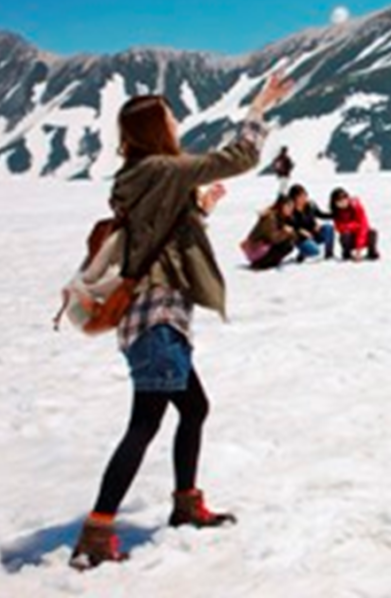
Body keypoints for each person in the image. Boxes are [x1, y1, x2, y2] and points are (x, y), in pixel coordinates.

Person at [70, 74, 293, 570]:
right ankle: (97, 531)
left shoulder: (138, 173)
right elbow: (241, 156)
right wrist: (258, 108)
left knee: (194, 408)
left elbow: (158, 229)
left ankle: (185, 503)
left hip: (152, 318)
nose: (175, 122)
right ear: (156, 128)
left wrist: (197, 207)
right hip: (158, 318)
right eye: (169, 117)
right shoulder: (164, 168)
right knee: (144, 423)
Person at [241, 195, 297, 270]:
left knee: (289, 243)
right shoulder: (271, 218)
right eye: (288, 206)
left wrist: (290, 233)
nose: (290, 209)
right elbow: (273, 238)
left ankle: (269, 262)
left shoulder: (282, 217)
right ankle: (261, 263)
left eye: (292, 207)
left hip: (262, 247)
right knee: (286, 244)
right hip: (256, 248)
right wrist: (285, 232)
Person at [325, 188, 380, 261]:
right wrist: (355, 225)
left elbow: (363, 226)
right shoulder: (336, 212)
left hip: (362, 237)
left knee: (372, 232)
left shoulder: (357, 207)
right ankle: (346, 253)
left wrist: (358, 249)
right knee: (345, 235)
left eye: (345, 198)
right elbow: (339, 227)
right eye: (339, 200)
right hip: (349, 238)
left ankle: (372, 252)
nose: (343, 202)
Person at [287, 184, 335, 261]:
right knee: (315, 251)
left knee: (328, 228)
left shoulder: (311, 205)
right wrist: (299, 230)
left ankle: (329, 254)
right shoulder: (290, 210)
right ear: (293, 198)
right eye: (300, 197)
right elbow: (288, 226)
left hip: (313, 233)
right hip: (301, 238)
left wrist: (335, 214)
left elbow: (320, 214)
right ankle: (303, 253)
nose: (304, 198)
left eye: (305, 195)